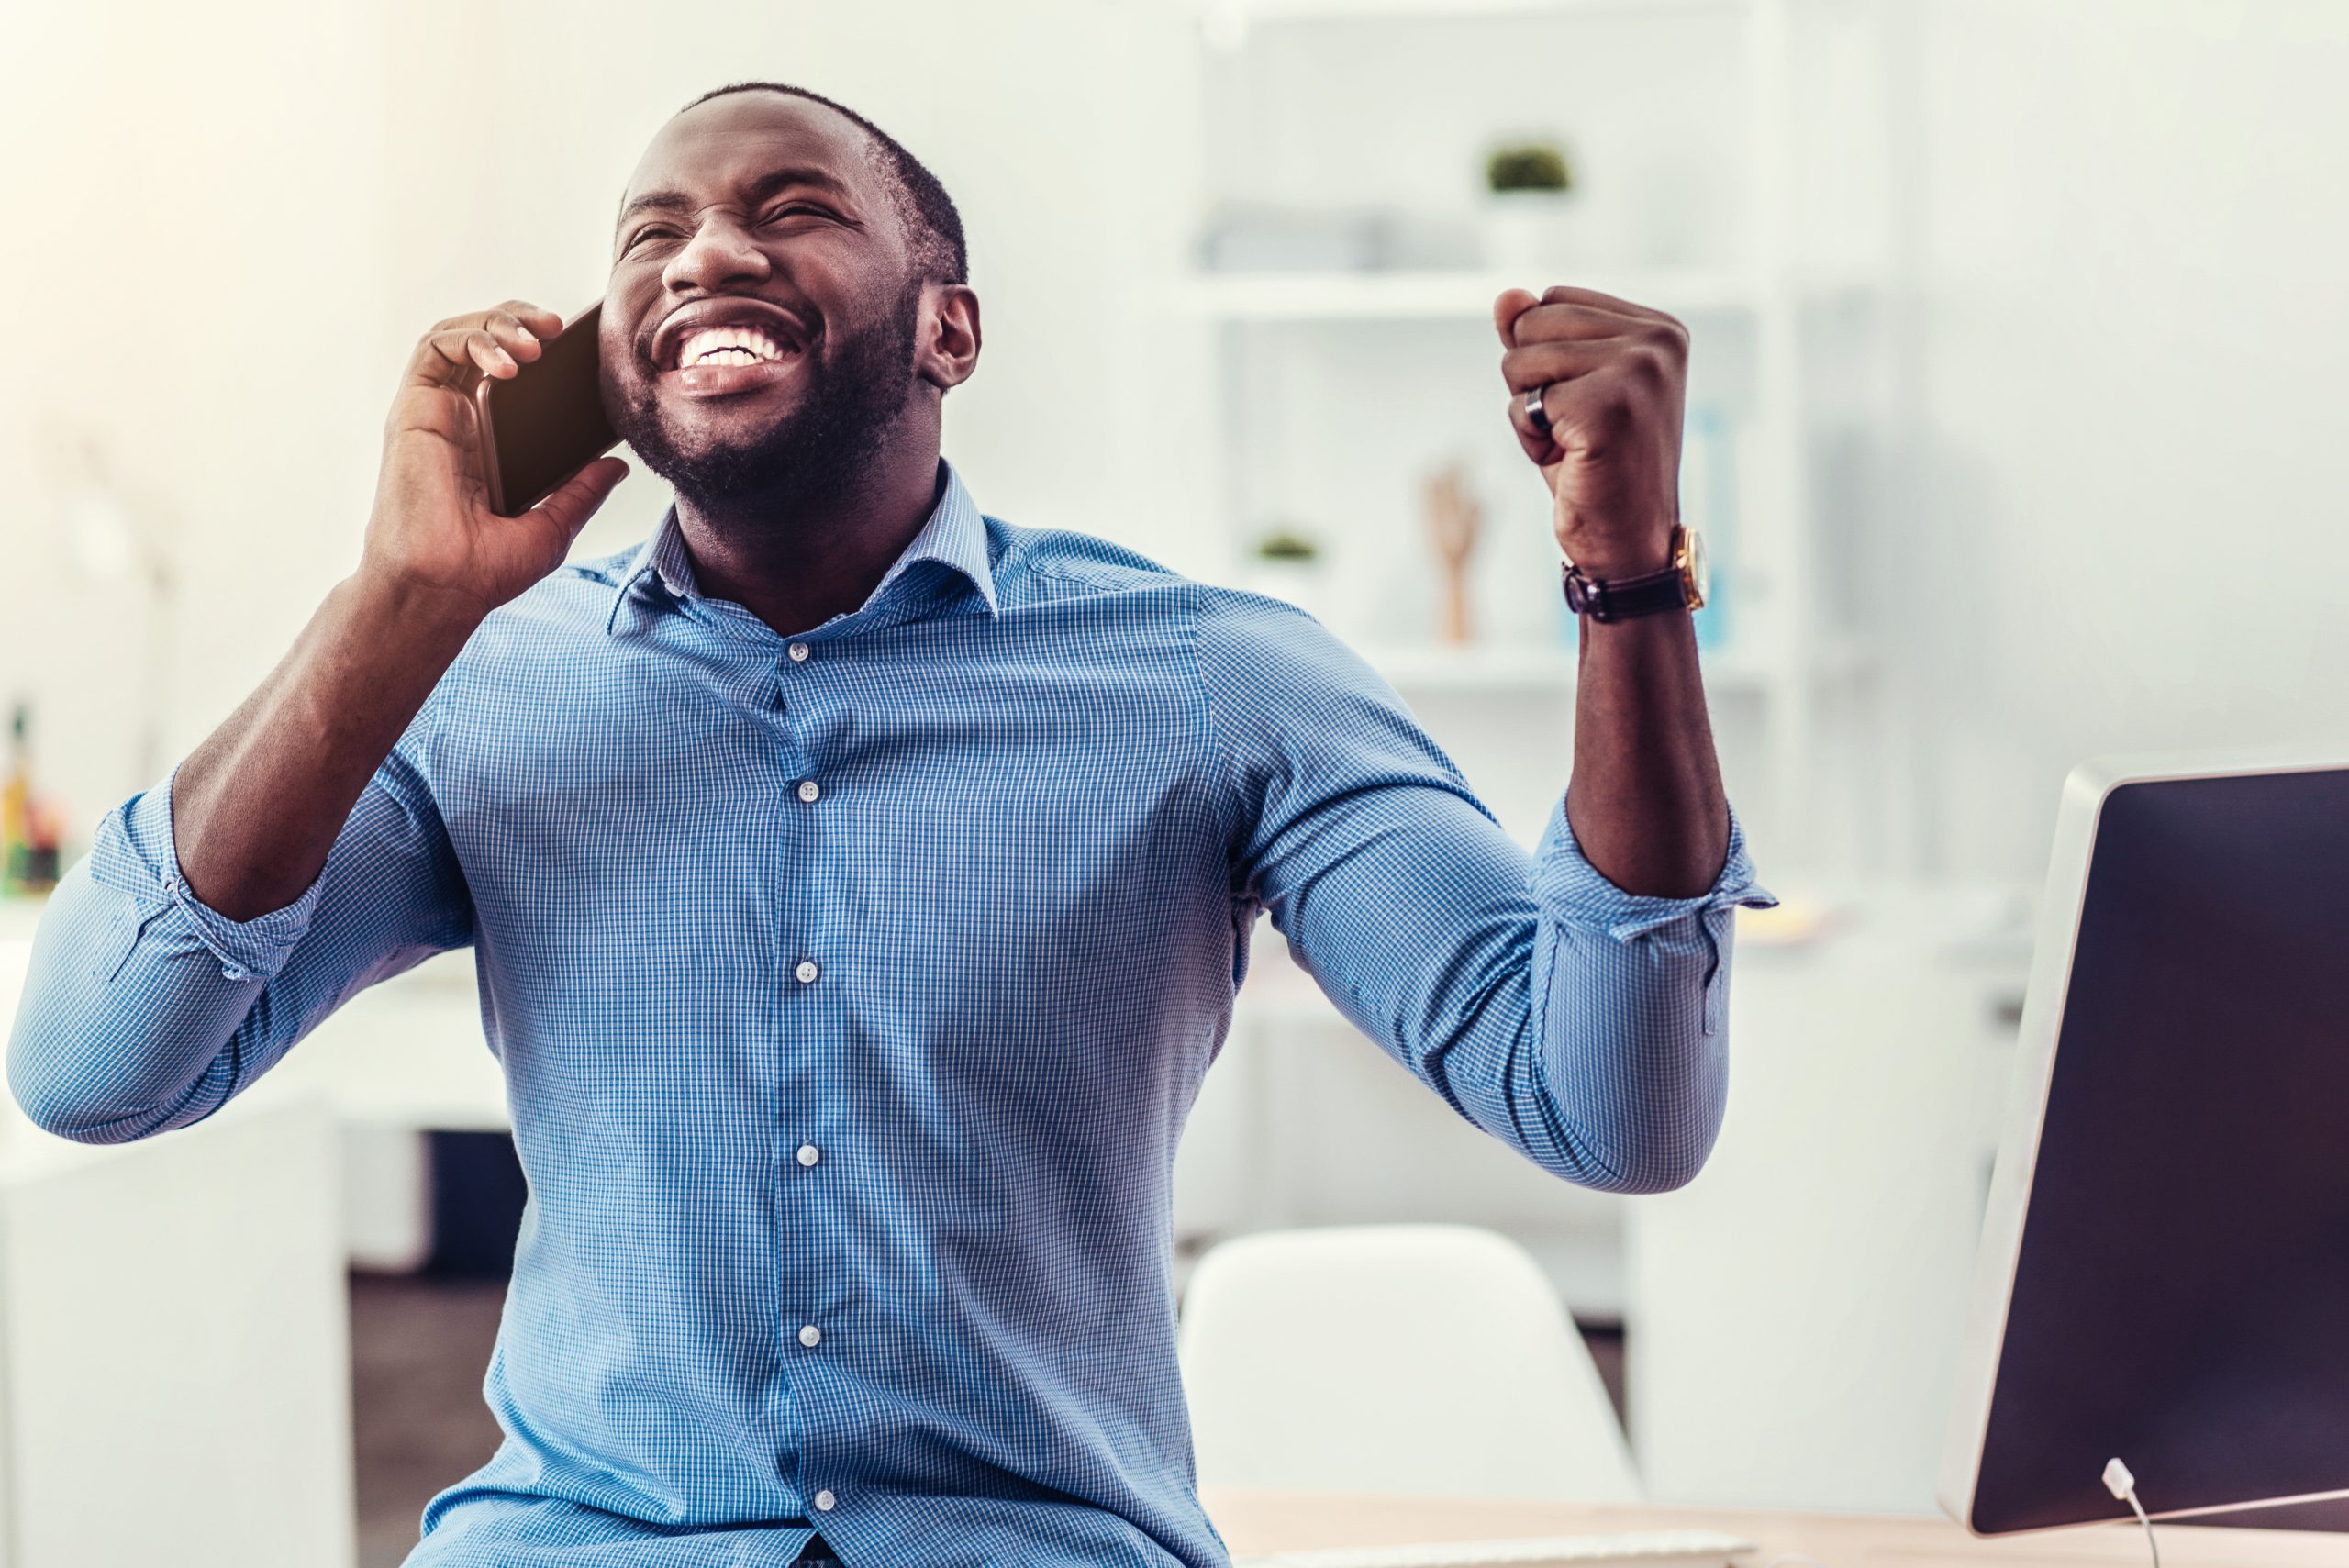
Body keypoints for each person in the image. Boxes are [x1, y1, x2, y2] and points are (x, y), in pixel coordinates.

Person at [6, 81, 1770, 1568]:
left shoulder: (1219, 682)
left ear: (951, 325)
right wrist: (401, 599)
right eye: (651, 238)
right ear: (612, 364)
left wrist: (1628, 584)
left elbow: (1608, 1103)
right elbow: (97, 1063)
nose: (706, 251)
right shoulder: (474, 692)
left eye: (791, 208)